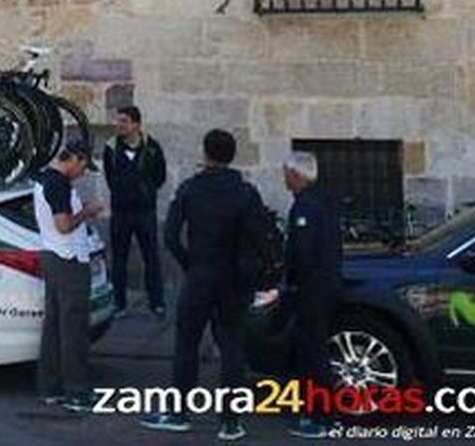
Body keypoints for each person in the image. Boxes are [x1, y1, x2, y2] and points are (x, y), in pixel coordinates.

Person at [142, 129, 266, 441]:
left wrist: (190, 263)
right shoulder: (246, 193)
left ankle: (179, 411)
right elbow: (256, 242)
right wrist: (248, 280)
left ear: (206, 153)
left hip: (200, 275)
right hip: (232, 280)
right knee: (232, 348)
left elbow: (170, 236)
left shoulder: (190, 189)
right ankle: (230, 420)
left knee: (187, 344)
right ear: (231, 155)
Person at [35, 140, 105, 413]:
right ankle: (77, 391)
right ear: (74, 159)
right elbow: (63, 225)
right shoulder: (58, 184)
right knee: (73, 328)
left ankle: (50, 387)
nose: (83, 172)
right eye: (83, 166)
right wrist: (87, 212)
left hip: (53, 256)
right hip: (68, 260)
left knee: (53, 328)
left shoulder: (45, 180)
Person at [281, 151, 342, 439]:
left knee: (314, 353)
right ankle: (314, 409)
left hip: (312, 289)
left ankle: (322, 416)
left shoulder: (305, 207)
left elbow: (301, 253)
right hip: (324, 285)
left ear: (297, 175)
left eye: (287, 174)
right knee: (313, 351)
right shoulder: (325, 201)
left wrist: (289, 282)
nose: (284, 179)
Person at [102, 105, 168, 317]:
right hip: (121, 212)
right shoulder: (111, 148)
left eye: (124, 121)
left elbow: (160, 175)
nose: (120, 125)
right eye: (119, 121)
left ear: (136, 124)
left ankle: (157, 303)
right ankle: (119, 304)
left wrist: (146, 191)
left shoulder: (152, 148)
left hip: (145, 212)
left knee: (151, 257)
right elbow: (110, 177)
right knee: (119, 259)